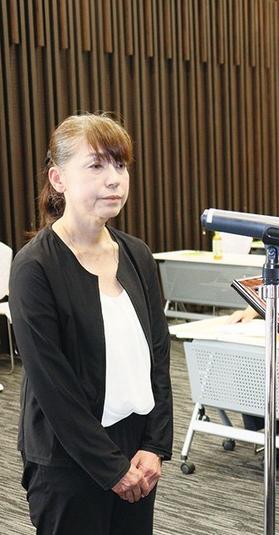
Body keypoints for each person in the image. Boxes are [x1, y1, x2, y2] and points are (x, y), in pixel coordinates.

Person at [10, 113, 173, 534]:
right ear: (58, 179)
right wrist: (111, 468)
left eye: (120, 165)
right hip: (67, 458)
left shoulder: (137, 254)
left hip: (136, 449)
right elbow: (54, 386)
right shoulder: (35, 267)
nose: (114, 179)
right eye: (96, 165)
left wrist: (154, 446)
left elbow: (158, 357)